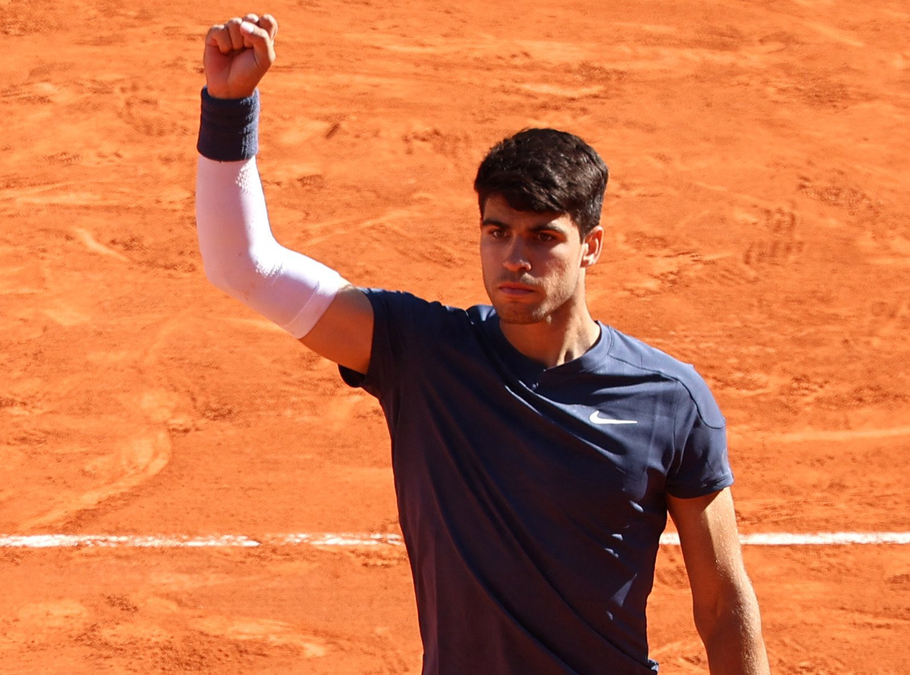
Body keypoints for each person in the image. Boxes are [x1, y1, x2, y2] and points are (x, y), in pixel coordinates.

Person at [195, 13, 771, 675]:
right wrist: (230, 106)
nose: (514, 258)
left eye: (542, 236)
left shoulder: (670, 400)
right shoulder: (423, 354)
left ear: (592, 245)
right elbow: (244, 263)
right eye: (497, 232)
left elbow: (723, 600)